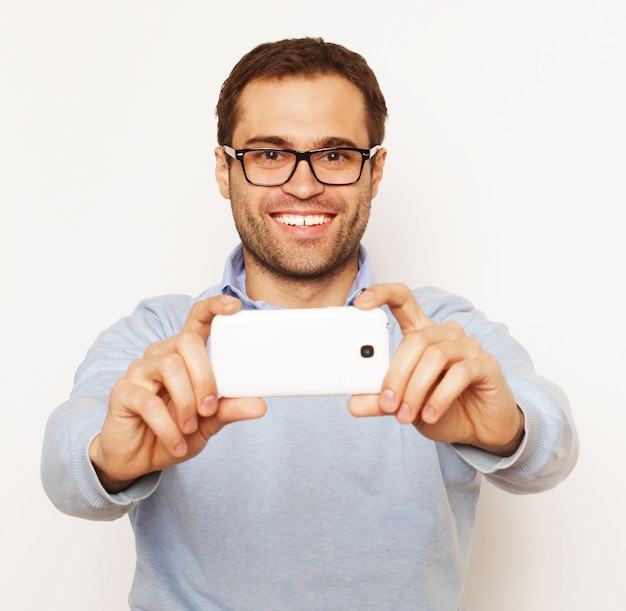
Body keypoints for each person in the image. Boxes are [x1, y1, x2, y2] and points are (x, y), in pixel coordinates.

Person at [42, 37, 578, 610]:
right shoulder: (161, 335)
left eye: (335, 155)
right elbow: (64, 466)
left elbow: (552, 448)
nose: (303, 185)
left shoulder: (437, 331)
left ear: (374, 172)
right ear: (225, 170)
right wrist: (108, 460)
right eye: (270, 154)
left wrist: (506, 431)